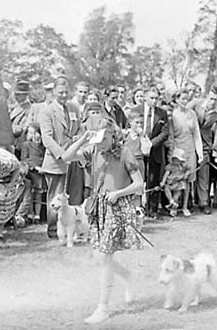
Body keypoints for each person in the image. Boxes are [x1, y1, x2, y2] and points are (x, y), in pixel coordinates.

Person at [61, 117, 143, 324]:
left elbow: (139, 184)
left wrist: (119, 193)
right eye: (97, 140)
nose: (100, 144)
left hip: (117, 209)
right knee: (99, 257)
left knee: (105, 258)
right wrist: (83, 140)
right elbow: (66, 156)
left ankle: (103, 308)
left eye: (104, 139)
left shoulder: (125, 153)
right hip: (99, 209)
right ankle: (129, 276)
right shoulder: (94, 152)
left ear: (112, 135)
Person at [38, 76, 81, 238]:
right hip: (56, 161)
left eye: (66, 92)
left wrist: (79, 137)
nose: (64, 95)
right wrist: (62, 154)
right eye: (60, 92)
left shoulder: (73, 108)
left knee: (72, 195)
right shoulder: (47, 112)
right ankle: (53, 230)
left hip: (74, 159)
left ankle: (72, 228)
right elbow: (47, 138)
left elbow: (79, 128)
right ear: (54, 92)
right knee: (56, 198)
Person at [131, 87, 169, 219]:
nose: (154, 101)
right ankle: (137, 208)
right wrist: (141, 141)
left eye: (156, 98)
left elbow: (165, 132)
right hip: (137, 150)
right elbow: (131, 128)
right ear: (145, 97)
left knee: (153, 180)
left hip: (155, 150)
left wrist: (151, 143)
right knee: (138, 178)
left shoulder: (162, 113)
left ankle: (152, 210)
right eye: (151, 98)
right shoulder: (135, 110)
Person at [188, 86, 217, 214]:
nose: (213, 102)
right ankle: (188, 202)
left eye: (216, 99)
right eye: (211, 98)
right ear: (207, 95)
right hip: (189, 140)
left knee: (204, 173)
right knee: (189, 172)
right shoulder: (195, 104)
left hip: (205, 142)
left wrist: (215, 149)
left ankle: (203, 202)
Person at [169, 89, 203, 217]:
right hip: (178, 150)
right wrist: (173, 154)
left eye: (186, 99)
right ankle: (174, 206)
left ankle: (185, 206)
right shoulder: (173, 114)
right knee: (177, 180)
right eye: (182, 99)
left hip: (190, 149)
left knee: (189, 179)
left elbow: (197, 135)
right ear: (177, 100)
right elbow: (171, 137)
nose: (185, 101)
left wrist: (199, 153)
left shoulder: (192, 114)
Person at [21, 122, 46, 223]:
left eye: (35, 133)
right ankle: (29, 214)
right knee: (30, 192)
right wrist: (34, 167)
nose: (33, 135)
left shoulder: (43, 146)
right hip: (31, 172)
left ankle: (37, 215)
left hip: (41, 171)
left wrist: (43, 167)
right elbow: (24, 158)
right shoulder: (26, 145)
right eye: (30, 133)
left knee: (39, 193)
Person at [159, 148, 190, 217]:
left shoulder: (182, 166)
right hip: (170, 182)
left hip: (178, 183)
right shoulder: (170, 166)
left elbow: (188, 170)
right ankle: (171, 201)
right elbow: (166, 174)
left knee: (176, 196)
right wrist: (163, 182)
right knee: (166, 189)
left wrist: (186, 175)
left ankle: (173, 210)